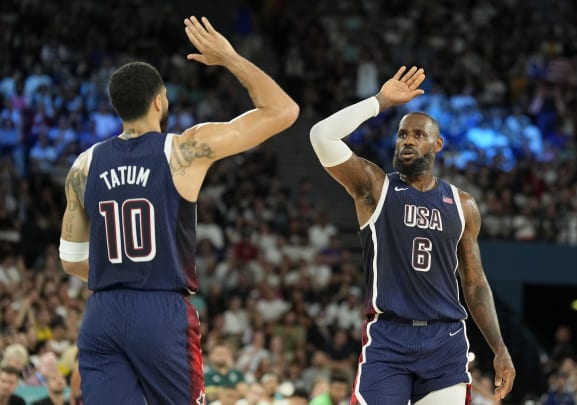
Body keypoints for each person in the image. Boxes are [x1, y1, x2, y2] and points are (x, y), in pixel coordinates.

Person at [58, 16, 298, 405]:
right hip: (160, 312)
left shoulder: (83, 166)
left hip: (101, 313)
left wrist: (119, 274)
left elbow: (70, 259)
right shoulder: (184, 149)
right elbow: (283, 111)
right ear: (159, 100)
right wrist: (231, 58)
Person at [308, 66, 515, 404]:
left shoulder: (462, 204)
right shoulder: (374, 187)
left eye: (418, 135)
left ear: (437, 144)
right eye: (403, 135)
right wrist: (379, 101)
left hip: (445, 339)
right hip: (389, 337)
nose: (408, 141)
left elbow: (475, 284)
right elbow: (321, 136)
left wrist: (500, 348)